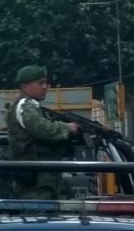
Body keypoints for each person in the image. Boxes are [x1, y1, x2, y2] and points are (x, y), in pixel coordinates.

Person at [5, 65, 80, 199]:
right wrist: (66, 128)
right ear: (25, 86)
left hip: (41, 176)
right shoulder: (24, 105)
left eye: (46, 82)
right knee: (39, 216)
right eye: (40, 83)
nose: (45, 86)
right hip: (35, 179)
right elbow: (42, 129)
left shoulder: (31, 105)